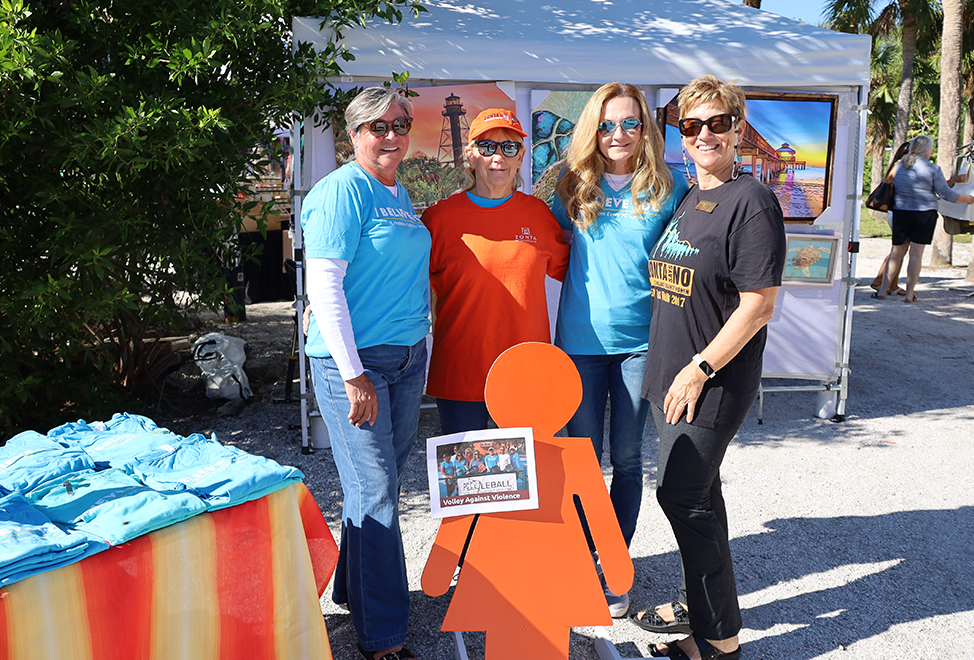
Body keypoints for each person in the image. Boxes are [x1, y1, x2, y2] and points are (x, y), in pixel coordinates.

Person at [632, 75, 786, 660]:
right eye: (690, 125)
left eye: (716, 123)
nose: (703, 134)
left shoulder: (751, 201)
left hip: (709, 383)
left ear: (738, 127)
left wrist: (698, 367)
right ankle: (712, 631)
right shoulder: (692, 198)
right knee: (702, 503)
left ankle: (717, 645)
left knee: (684, 500)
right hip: (673, 378)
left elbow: (759, 305)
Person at [552, 81, 690, 617]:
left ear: (646, 130)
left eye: (630, 123)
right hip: (580, 345)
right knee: (582, 461)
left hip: (640, 345)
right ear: (593, 129)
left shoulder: (669, 187)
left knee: (628, 461)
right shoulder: (571, 187)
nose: (618, 134)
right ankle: (583, 556)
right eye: (607, 124)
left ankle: (614, 566)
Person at [301, 86, 428, 660]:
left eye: (399, 124)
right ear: (352, 134)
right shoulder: (341, 191)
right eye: (377, 126)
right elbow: (323, 285)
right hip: (355, 364)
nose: (391, 135)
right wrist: (352, 374)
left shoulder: (398, 192)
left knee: (373, 485)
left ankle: (356, 590)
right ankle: (384, 638)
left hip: (405, 359)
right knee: (376, 490)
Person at [422, 108, 570, 435]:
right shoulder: (439, 219)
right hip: (461, 370)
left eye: (509, 147)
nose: (498, 157)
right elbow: (401, 280)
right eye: (487, 147)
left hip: (527, 372)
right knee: (467, 482)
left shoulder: (538, 215)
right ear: (471, 156)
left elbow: (577, 274)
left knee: (531, 480)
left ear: (521, 157)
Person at [875, 135, 974, 303]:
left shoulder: (899, 165)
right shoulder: (933, 169)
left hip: (901, 212)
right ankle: (909, 294)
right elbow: (947, 195)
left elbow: (888, 181)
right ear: (928, 150)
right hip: (924, 214)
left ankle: (882, 291)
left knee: (896, 254)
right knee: (916, 255)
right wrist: (969, 199)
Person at [869, 141, 910, 296]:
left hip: (898, 210)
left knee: (899, 250)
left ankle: (886, 281)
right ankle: (885, 282)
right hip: (900, 210)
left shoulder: (899, 165)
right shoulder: (901, 165)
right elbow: (888, 183)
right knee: (898, 250)